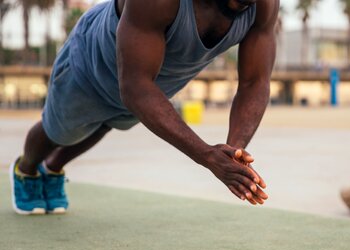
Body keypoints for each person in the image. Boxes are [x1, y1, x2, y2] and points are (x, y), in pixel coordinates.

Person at [10, 0, 279, 215]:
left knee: (109, 123)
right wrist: (207, 156)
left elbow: (255, 81)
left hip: (152, 84)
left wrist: (234, 151)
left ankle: (53, 168)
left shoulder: (263, 6)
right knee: (58, 132)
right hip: (92, 66)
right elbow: (136, 89)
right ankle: (27, 170)